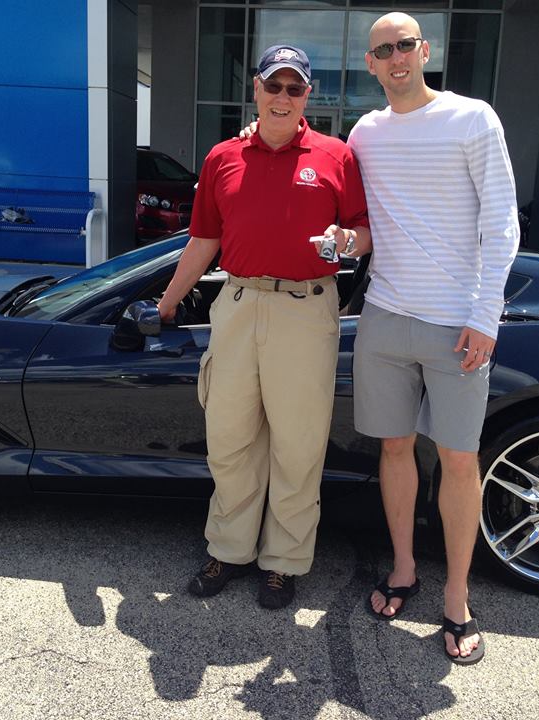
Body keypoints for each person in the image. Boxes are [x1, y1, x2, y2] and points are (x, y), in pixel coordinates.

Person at [158, 44, 371, 610]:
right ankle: (228, 549)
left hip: (306, 307)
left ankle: (283, 561)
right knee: (229, 438)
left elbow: (363, 229)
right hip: (238, 302)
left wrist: (349, 242)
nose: (282, 97)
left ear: (308, 97)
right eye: (273, 86)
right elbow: (202, 241)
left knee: (297, 446)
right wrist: (167, 303)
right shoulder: (223, 156)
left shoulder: (336, 155)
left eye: (294, 88)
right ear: (255, 88)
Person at [350, 12, 519, 664]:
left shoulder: (472, 118)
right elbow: (324, 166)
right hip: (385, 317)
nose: (395, 59)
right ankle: (402, 569)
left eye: (404, 46)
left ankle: (455, 596)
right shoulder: (366, 132)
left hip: (458, 326)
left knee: (457, 459)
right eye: (382, 51)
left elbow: (502, 222)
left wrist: (486, 316)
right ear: (370, 63)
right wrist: (262, 126)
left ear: (425, 50)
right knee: (394, 448)